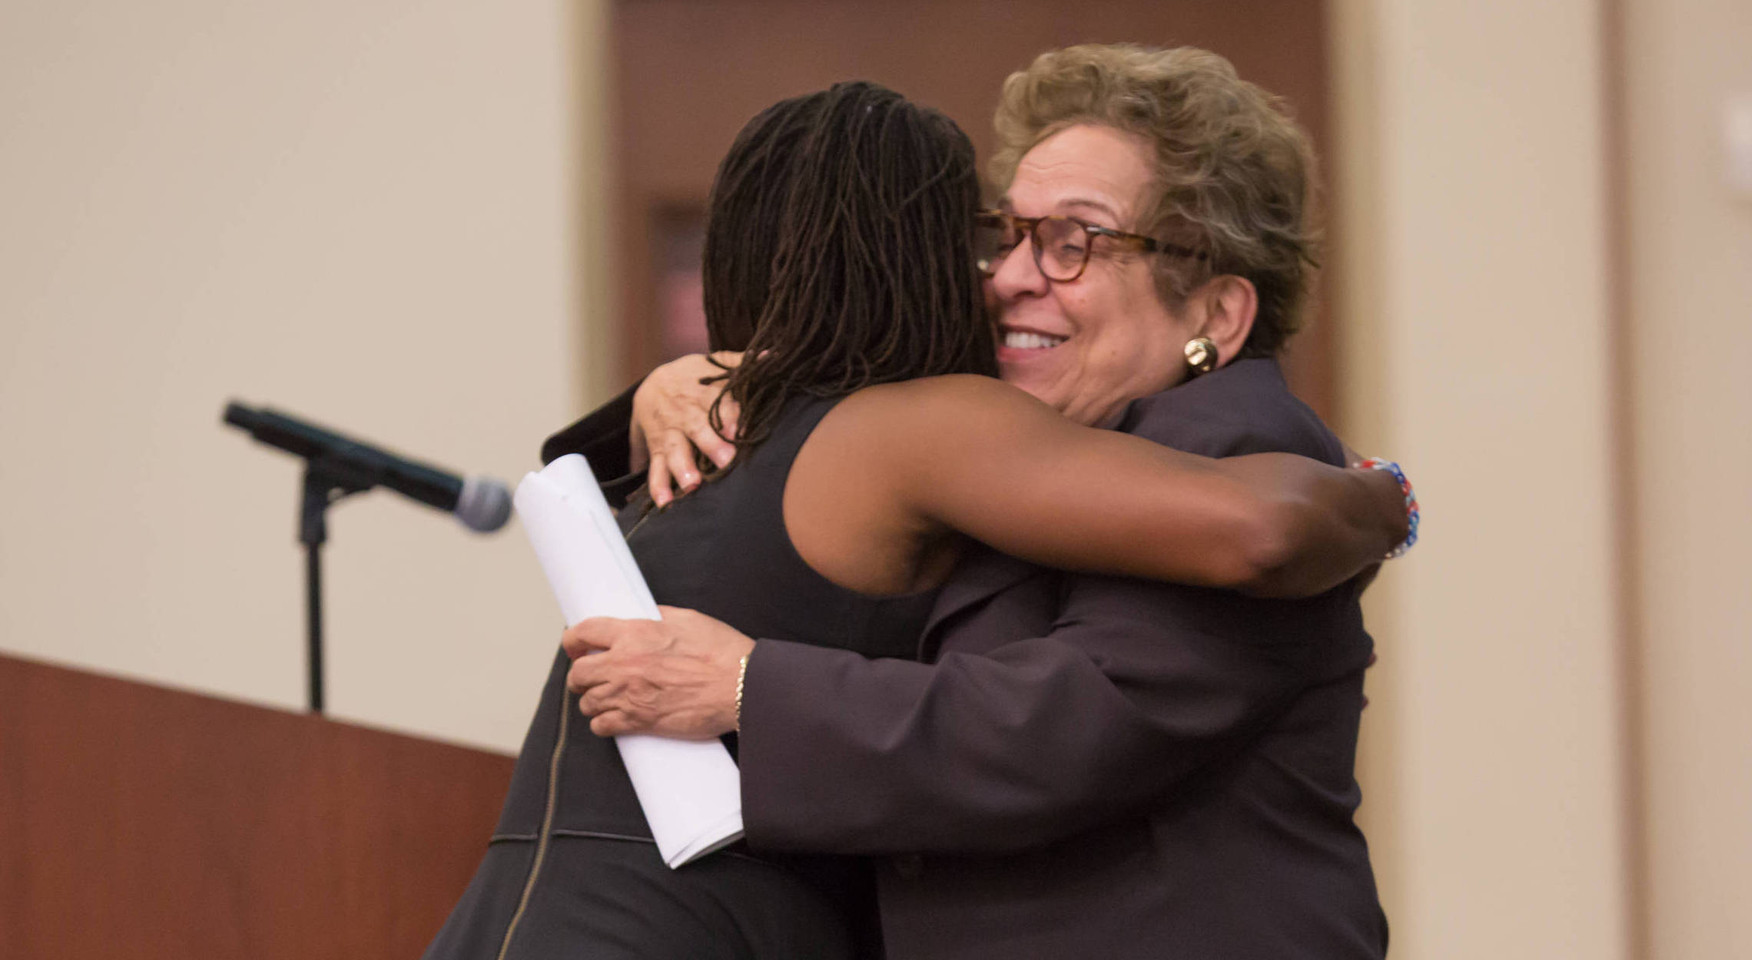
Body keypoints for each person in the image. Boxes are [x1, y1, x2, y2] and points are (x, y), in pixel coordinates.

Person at [424, 79, 1405, 960]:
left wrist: (747, 687)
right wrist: (660, 394)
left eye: (1072, 243)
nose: (1009, 277)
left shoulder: (1224, 447)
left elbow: (1059, 733)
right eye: (1004, 236)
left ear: (1218, 316)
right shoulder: (1007, 451)